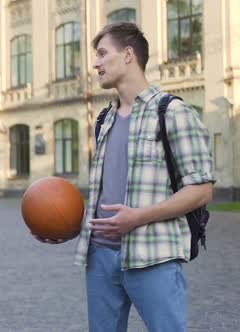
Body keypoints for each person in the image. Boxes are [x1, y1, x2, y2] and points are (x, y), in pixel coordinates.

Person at [36, 22, 215, 331]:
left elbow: (200, 190)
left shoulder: (172, 113)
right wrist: (64, 226)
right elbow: (106, 194)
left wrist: (138, 217)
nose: (95, 63)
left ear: (128, 55)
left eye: (103, 54)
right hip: (101, 257)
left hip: (153, 255)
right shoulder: (104, 119)